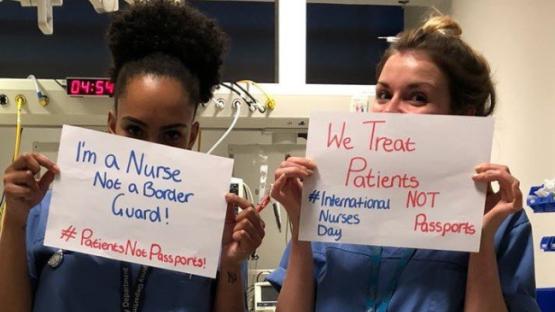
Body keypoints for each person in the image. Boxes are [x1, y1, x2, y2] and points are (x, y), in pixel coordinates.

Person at [0, 1, 265, 311]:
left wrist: (231, 264)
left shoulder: (214, 226)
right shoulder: (46, 208)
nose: (150, 149)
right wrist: (14, 221)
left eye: (171, 134)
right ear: (112, 125)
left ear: (192, 136)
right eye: (135, 130)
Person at [267, 15, 539, 312]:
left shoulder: (500, 216)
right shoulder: (332, 200)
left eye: (417, 97)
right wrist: (300, 224)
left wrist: (481, 239)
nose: (391, 110)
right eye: (383, 94)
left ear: (464, 115)